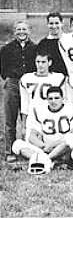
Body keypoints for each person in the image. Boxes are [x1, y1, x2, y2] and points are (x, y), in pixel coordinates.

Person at [11, 87, 73, 170]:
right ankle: (49, 160)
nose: (53, 101)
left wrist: (54, 145)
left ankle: (43, 159)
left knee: (71, 139)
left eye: (57, 98)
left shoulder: (72, 109)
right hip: (45, 148)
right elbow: (32, 136)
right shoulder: (39, 110)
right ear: (47, 99)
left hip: (63, 147)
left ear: (63, 98)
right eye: (50, 98)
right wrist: (42, 145)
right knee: (17, 144)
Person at [0, 20, 37, 162]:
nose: (22, 32)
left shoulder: (35, 48)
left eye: (24, 29)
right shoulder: (7, 48)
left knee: (28, 118)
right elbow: (2, 67)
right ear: (14, 32)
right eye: (18, 29)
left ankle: (27, 148)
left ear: (29, 31)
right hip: (13, 83)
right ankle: (10, 150)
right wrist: (9, 77)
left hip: (29, 85)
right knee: (10, 118)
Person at [19, 52, 66, 118]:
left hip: (52, 115)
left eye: (43, 62)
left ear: (49, 63)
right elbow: (24, 103)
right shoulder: (26, 78)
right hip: (33, 115)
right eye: (38, 62)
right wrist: (24, 123)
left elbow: (63, 101)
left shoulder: (58, 78)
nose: (40, 65)